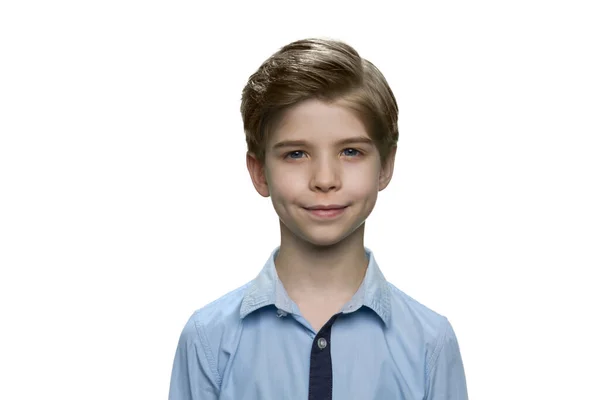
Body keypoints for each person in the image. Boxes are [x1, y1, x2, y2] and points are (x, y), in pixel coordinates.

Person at [168, 38, 468, 400]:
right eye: (296, 153)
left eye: (351, 151)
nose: (325, 179)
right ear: (260, 171)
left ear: (385, 166)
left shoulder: (429, 343)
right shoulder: (208, 339)